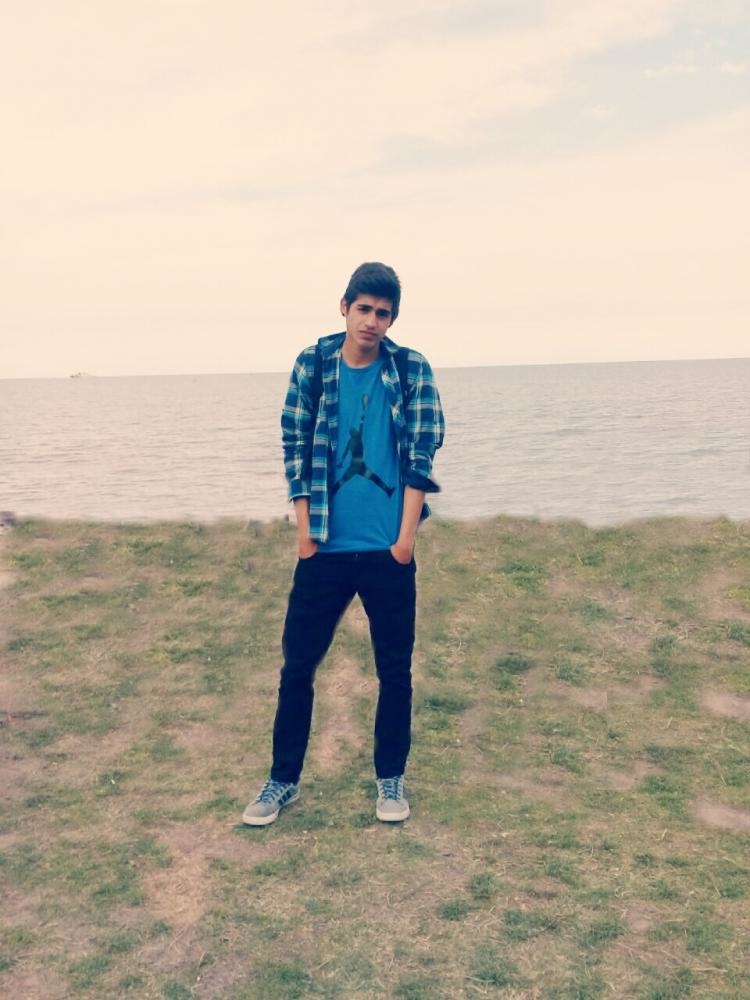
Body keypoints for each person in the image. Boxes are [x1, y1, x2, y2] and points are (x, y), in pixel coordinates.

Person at [243, 262, 445, 826]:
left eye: (383, 313)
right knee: (297, 668)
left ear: (392, 319)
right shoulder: (314, 365)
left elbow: (421, 455)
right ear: (344, 307)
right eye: (364, 309)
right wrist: (305, 533)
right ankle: (283, 781)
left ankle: (390, 779)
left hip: (387, 551)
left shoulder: (410, 369)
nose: (372, 321)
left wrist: (404, 541)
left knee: (394, 672)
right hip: (325, 549)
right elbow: (294, 444)